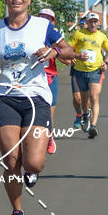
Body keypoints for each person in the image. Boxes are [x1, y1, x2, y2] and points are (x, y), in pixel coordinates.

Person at [0, 0, 75, 215]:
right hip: (6, 97)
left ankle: (32, 169)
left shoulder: (42, 26)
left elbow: (69, 51)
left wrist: (55, 52)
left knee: (33, 162)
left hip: (36, 98)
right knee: (11, 160)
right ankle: (17, 212)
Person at [67, 12, 108, 139]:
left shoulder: (101, 36)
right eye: (91, 21)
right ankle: (85, 114)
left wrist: (106, 62)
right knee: (83, 100)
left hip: (95, 71)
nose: (93, 24)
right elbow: (68, 48)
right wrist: (74, 56)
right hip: (80, 71)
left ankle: (93, 125)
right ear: (86, 22)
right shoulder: (79, 34)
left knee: (94, 96)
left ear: (98, 23)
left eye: (95, 21)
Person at [38, 8, 61, 153]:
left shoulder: (55, 35)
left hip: (50, 77)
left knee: (48, 114)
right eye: (42, 17)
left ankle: (49, 137)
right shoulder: (29, 32)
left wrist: (55, 51)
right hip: (32, 78)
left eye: (49, 18)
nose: (45, 20)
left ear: (53, 21)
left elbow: (66, 54)